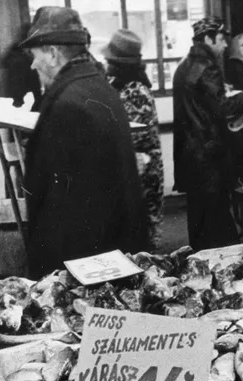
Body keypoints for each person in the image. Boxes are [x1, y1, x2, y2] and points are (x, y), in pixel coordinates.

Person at [18, 7, 148, 278]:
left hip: (85, 269)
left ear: (53, 53)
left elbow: (63, 210)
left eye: (35, 56)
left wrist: (49, 275)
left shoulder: (68, 104)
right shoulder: (98, 88)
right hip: (113, 254)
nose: (32, 65)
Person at [173, 17, 243, 250]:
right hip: (209, 158)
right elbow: (222, 108)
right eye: (221, 40)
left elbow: (199, 105)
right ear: (208, 39)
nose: (223, 46)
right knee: (219, 221)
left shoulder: (184, 66)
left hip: (190, 156)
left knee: (199, 221)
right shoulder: (208, 68)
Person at [103, 28, 165, 233]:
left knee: (144, 237)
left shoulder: (136, 91)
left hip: (143, 174)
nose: (105, 64)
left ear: (118, 64)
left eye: (109, 61)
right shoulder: (121, 85)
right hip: (136, 170)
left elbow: (137, 137)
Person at [0, 20, 43, 108]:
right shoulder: (21, 60)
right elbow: (22, 87)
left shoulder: (14, 55)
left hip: (19, 104)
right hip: (24, 105)